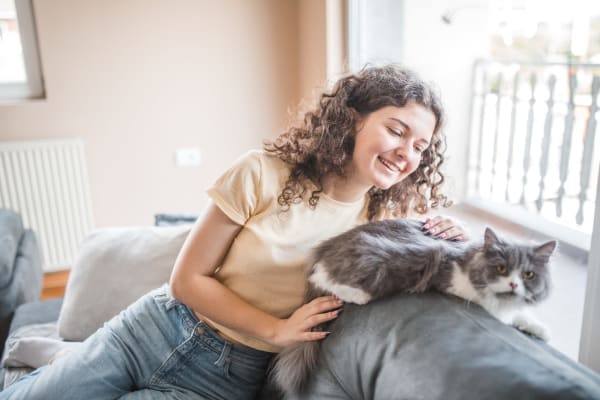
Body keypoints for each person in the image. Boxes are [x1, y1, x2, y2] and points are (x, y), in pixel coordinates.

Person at [0, 65, 468, 400]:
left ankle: (62, 358)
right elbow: (188, 280)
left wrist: (454, 235)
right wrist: (277, 328)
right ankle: (65, 361)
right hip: (153, 327)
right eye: (396, 130)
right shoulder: (262, 172)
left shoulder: (380, 226)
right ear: (353, 119)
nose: (407, 152)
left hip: (223, 379)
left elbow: (444, 268)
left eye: (421, 146)